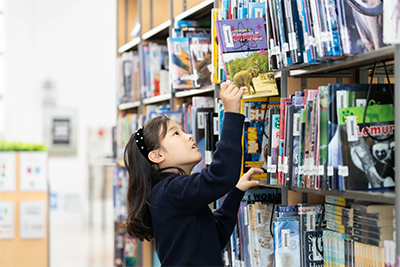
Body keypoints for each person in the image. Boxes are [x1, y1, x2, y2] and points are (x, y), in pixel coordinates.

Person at [123, 82, 263, 266]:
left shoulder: (172, 192)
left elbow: (214, 238)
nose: (189, 135)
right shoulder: (170, 190)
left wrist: (236, 191)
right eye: (176, 134)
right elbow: (220, 176)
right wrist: (232, 114)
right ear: (157, 156)